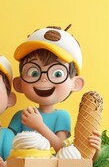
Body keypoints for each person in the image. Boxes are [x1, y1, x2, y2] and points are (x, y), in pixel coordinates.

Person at [8, 25, 101, 156]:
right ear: (19, 83)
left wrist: (38, 125)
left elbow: (61, 149)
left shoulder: (62, 116)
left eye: (57, 74)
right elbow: (7, 146)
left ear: (76, 83)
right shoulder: (21, 116)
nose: (44, 78)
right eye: (34, 72)